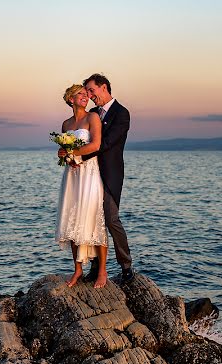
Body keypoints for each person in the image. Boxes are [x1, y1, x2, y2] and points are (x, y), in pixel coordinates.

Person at [54, 84, 109, 288]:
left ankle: (102, 271)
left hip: (90, 173)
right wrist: (64, 155)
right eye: (81, 94)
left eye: (87, 94)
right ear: (70, 99)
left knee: (95, 218)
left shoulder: (92, 118)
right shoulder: (66, 123)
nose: (86, 97)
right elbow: (64, 150)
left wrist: (73, 153)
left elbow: (96, 145)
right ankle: (78, 270)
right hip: (72, 175)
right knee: (72, 218)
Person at [82, 73, 134, 284]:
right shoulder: (92, 113)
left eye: (92, 91)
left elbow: (107, 143)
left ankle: (126, 266)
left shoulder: (122, 114)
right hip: (89, 174)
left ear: (104, 87)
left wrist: (80, 153)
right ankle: (96, 267)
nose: (90, 96)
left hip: (110, 175)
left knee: (111, 219)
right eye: (87, 93)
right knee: (93, 221)